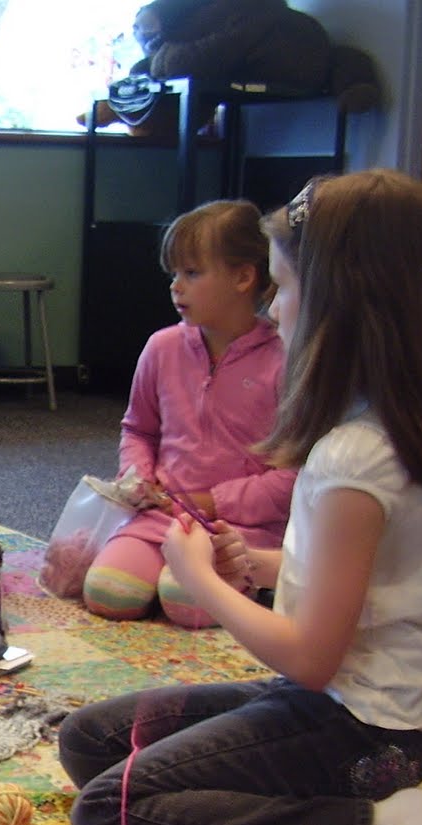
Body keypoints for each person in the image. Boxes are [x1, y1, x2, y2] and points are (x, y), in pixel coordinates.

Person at [58, 170, 422, 825]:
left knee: (107, 814)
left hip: (362, 729)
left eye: (283, 290)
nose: (275, 313)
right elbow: (368, 584)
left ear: (344, 304)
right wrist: (266, 566)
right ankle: (368, 808)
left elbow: (312, 657)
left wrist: (202, 581)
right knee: (90, 739)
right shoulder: (397, 433)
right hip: (348, 715)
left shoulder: (355, 457)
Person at [83, 198, 292, 627]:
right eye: (173, 274)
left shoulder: (283, 360)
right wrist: (138, 477)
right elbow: (138, 429)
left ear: (243, 277)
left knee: (190, 605)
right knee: (107, 594)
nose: (176, 286)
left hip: (238, 533)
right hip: (159, 518)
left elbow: (293, 476)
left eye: (192, 273)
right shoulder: (162, 347)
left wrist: (213, 502)